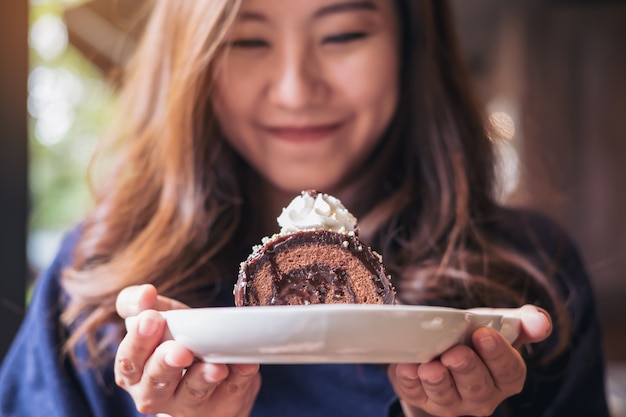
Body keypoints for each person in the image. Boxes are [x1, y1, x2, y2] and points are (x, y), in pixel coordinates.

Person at [0, 0, 610, 416]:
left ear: (411, 44)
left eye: (343, 34)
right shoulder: (95, 286)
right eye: (247, 39)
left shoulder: (529, 277)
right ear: (192, 61)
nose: (295, 88)